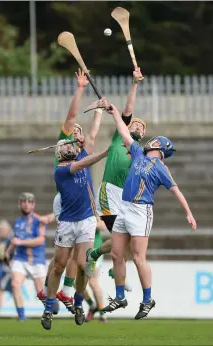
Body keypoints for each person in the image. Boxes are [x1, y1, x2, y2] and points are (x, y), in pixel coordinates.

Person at [101, 104, 197, 319]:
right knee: (117, 254)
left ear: (160, 147)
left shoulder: (161, 167)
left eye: (155, 140)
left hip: (141, 211)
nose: (150, 140)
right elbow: (124, 133)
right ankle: (120, 297)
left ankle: (147, 300)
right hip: (124, 207)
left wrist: (188, 212)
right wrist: (115, 113)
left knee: (137, 257)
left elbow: (176, 190)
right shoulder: (137, 153)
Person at [85, 67, 147, 279]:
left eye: (142, 128)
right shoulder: (120, 138)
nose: (138, 127)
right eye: (136, 124)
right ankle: (107, 260)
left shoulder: (140, 153)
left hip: (126, 198)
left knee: (128, 238)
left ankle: (94, 254)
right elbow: (129, 108)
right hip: (109, 191)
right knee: (121, 237)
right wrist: (135, 83)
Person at [41, 139, 108, 330]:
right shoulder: (60, 171)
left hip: (86, 221)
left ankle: (78, 303)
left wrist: (97, 114)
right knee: (59, 265)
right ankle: (48, 308)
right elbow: (85, 163)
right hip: (67, 223)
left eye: (72, 145)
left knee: (85, 264)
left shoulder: (81, 156)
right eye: (66, 146)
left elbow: (92, 135)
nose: (70, 147)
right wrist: (105, 153)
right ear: (59, 153)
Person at [37, 68, 90, 312]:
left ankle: (60, 291)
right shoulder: (65, 144)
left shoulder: (82, 151)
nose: (77, 132)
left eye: (80, 131)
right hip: (65, 203)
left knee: (72, 257)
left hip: (79, 204)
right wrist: (80, 89)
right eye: (74, 131)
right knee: (63, 257)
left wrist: (100, 112)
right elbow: (71, 117)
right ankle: (53, 290)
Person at [5, 192, 50, 321]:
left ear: (33, 205)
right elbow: (16, 239)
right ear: (19, 204)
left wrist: (20, 242)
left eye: (29, 202)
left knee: (41, 294)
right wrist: (8, 251)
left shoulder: (39, 220)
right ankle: (22, 316)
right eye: (24, 201)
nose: (26, 204)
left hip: (37, 259)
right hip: (21, 258)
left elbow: (40, 240)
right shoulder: (18, 221)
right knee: (15, 284)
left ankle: (50, 311)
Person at [85, 217, 108, 323]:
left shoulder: (93, 210)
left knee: (93, 283)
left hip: (93, 251)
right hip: (80, 250)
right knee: (75, 282)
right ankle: (92, 305)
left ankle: (102, 314)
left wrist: (83, 223)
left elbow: (102, 225)